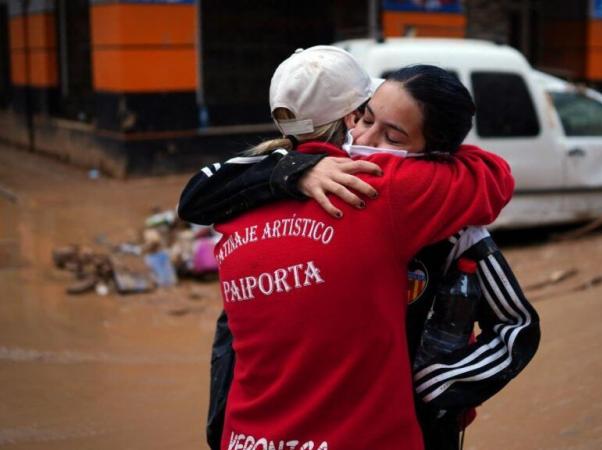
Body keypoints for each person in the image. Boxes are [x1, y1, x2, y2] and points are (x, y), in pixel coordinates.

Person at [179, 48, 529, 450]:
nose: (366, 139)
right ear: (350, 118)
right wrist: (436, 391)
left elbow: (195, 200)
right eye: (365, 120)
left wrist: (290, 169)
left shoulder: (233, 201)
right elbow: (495, 177)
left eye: (389, 133)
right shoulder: (383, 187)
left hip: (241, 437)